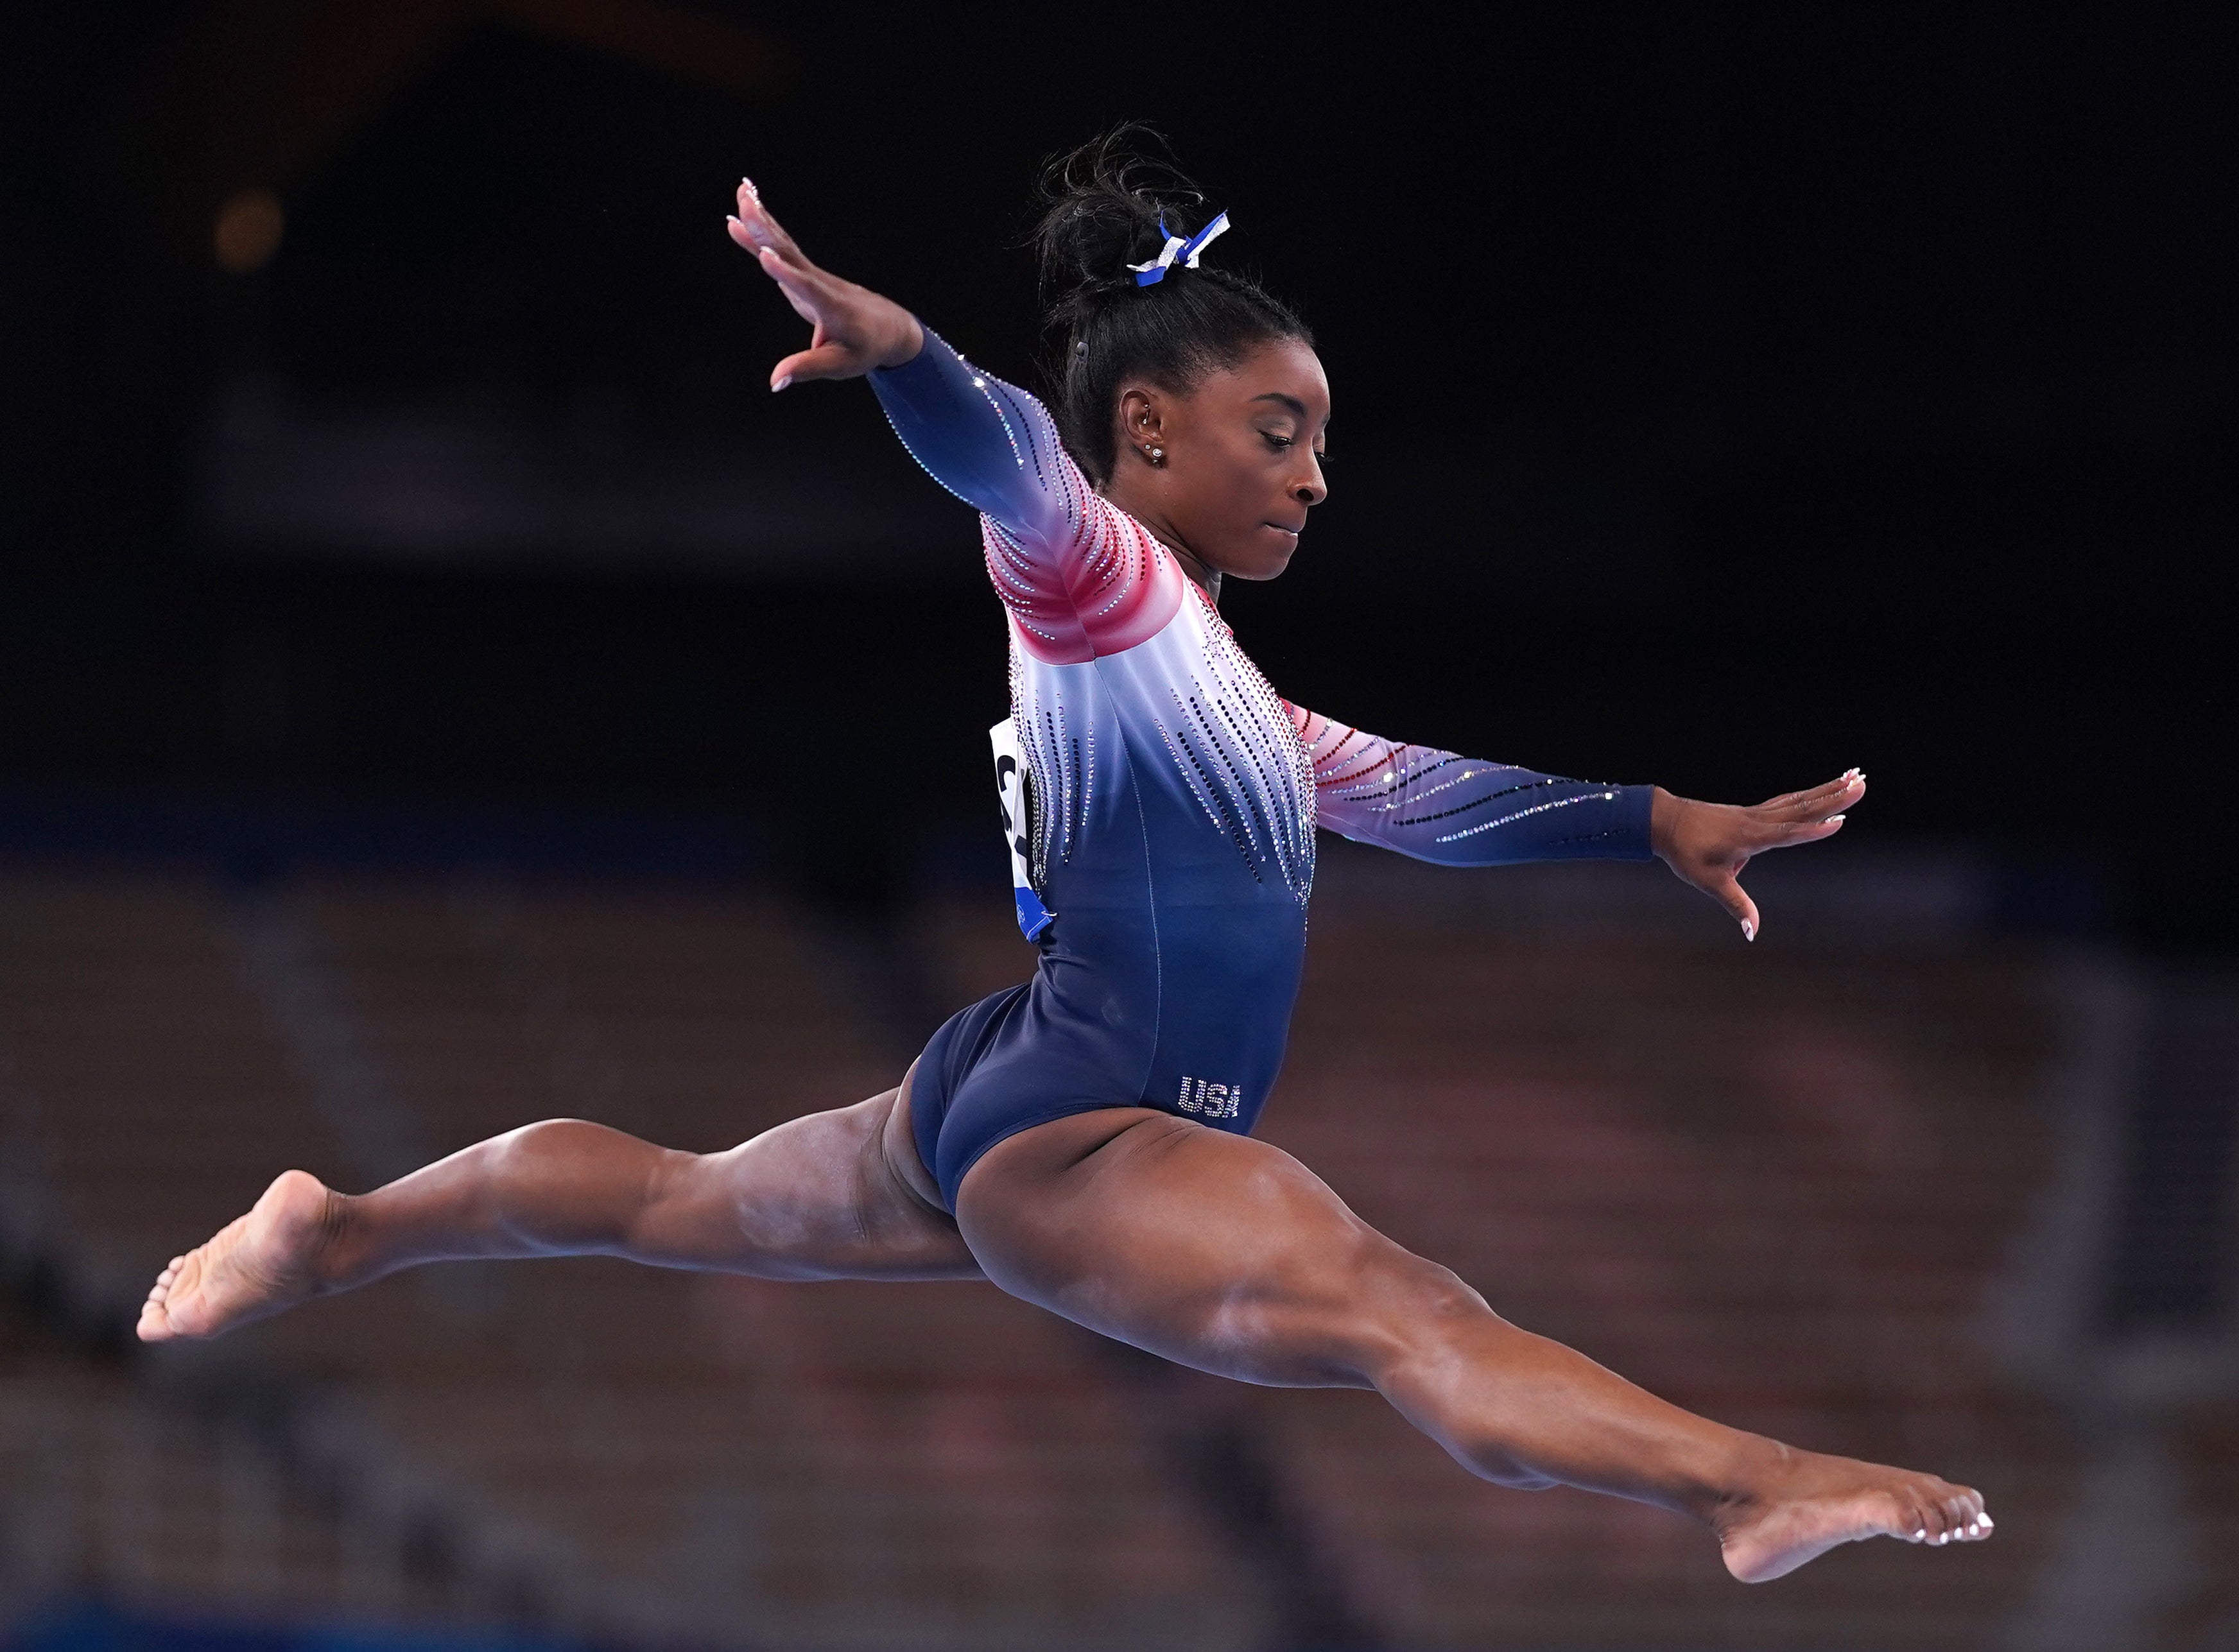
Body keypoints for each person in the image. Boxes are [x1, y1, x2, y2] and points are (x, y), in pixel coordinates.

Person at [140, 132, 1990, 1584]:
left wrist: (1646, 819)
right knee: (1408, 1316)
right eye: (1281, 431)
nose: (1314, 474)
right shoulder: (1094, 576)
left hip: (1021, 1090)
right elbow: (1009, 454)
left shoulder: (1237, 700)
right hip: (1091, 1129)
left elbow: (1423, 794)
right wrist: (908, 358)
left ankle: (341, 1229)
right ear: (1150, 430)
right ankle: (1751, 1485)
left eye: (1324, 442)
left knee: (664, 1200)